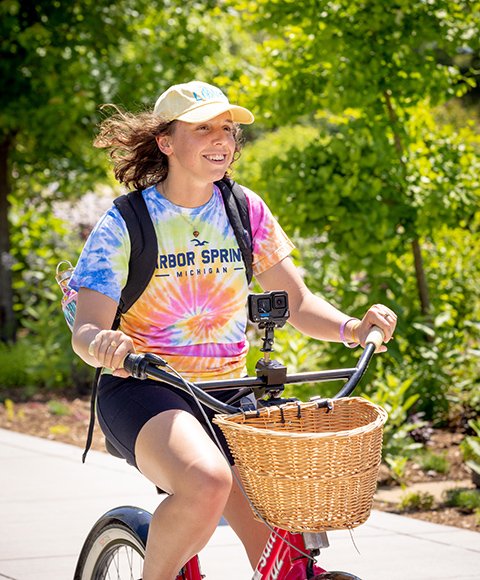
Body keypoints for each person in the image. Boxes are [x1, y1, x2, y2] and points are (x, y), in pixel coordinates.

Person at [70, 80, 397, 580]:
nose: (221, 139)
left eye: (227, 128)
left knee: (287, 534)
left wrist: (354, 327)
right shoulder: (125, 221)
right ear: (167, 141)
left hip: (230, 393)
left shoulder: (244, 209)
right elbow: (87, 329)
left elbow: (299, 303)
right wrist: (106, 343)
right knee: (205, 481)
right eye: (203, 129)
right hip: (145, 389)